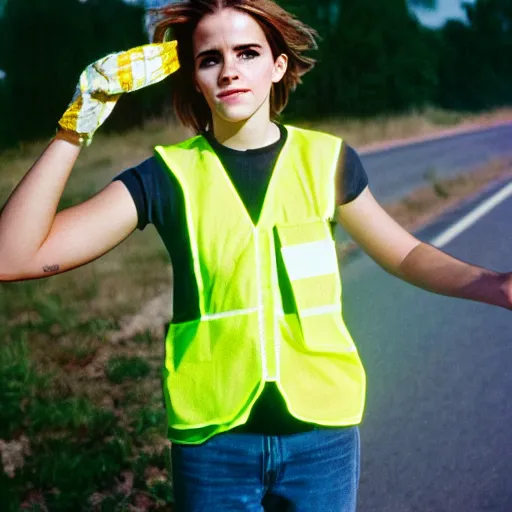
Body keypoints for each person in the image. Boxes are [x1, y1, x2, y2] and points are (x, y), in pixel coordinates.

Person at [0, 1, 510, 510]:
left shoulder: (327, 160)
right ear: (194, 76)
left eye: (247, 52)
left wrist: (495, 285)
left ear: (278, 65)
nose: (230, 71)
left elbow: (406, 254)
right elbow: (13, 256)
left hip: (323, 437)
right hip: (213, 443)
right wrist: (80, 118)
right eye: (209, 59)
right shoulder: (165, 176)